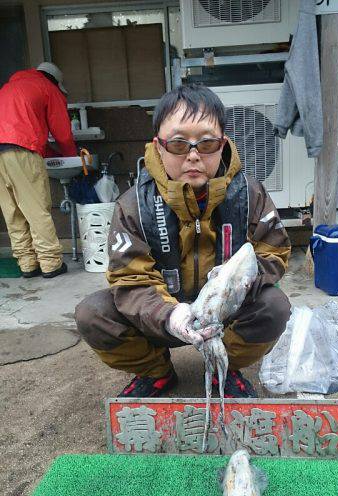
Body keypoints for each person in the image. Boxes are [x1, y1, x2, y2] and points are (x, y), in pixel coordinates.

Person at [75, 84, 291, 398]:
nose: (192, 155)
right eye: (178, 144)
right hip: (161, 319)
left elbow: (274, 250)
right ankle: (157, 373)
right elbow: (130, 279)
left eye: (206, 143)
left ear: (223, 143)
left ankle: (224, 369)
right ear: (159, 146)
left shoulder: (251, 193)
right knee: (92, 313)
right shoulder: (133, 205)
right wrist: (172, 316)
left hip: (224, 317)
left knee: (274, 306)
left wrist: (236, 283)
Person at [0, 62, 77, 278]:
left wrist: (49, 153)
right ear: (55, 81)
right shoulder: (48, 88)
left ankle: (27, 264)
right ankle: (51, 264)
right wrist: (71, 155)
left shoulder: (9, 88)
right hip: (21, 150)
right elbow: (62, 133)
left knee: (12, 212)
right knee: (36, 209)